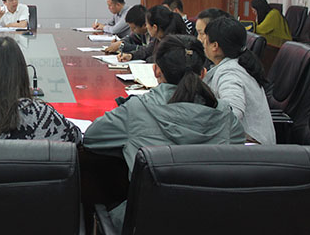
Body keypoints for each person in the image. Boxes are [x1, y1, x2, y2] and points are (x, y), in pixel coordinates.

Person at [84, 35, 245, 232]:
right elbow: (237, 149)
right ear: (203, 73)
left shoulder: (137, 110)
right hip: (212, 222)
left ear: (156, 70)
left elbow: (91, 138)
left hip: (147, 223)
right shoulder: (225, 115)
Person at [203, 17, 276, 145]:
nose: (203, 43)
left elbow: (233, 114)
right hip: (250, 143)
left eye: (205, 39)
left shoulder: (230, 73)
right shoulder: (238, 63)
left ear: (215, 46)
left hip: (251, 148)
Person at [118, 5, 187, 63]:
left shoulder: (171, 42)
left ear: (154, 27)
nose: (146, 27)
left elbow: (157, 59)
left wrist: (147, 59)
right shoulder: (158, 39)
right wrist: (130, 55)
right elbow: (147, 51)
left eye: (147, 24)